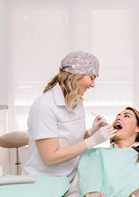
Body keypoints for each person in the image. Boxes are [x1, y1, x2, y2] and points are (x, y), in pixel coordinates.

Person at [24, 50, 117, 182]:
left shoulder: (76, 102)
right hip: (45, 181)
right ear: (75, 75)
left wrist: (91, 132)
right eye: (91, 78)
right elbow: (50, 158)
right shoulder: (44, 106)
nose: (93, 85)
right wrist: (93, 140)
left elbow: (70, 142)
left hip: (71, 178)